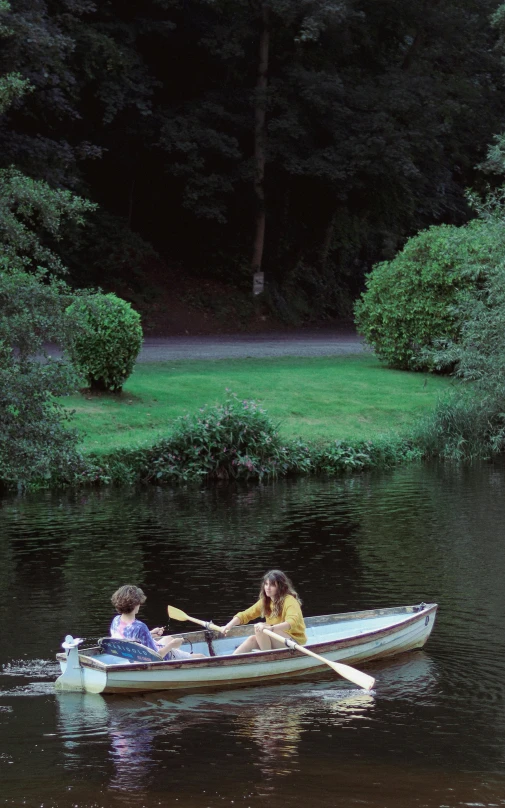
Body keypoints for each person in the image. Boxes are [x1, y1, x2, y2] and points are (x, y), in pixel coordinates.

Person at [221, 570, 307, 654]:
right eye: (266, 584)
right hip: (277, 637)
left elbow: (291, 622)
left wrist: (271, 628)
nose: (268, 588)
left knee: (260, 627)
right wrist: (228, 625)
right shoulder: (266, 601)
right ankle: (228, 661)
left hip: (294, 642)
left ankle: (268, 657)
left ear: (280, 587)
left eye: (272, 585)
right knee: (252, 639)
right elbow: (245, 615)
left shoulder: (290, 601)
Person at [110, 584, 206, 660]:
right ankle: (179, 659)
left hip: (131, 656)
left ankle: (180, 655)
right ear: (135, 604)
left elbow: (130, 639)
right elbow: (156, 657)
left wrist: (150, 633)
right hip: (156, 657)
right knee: (201, 656)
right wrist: (172, 645)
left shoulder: (116, 620)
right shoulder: (140, 627)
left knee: (168, 638)